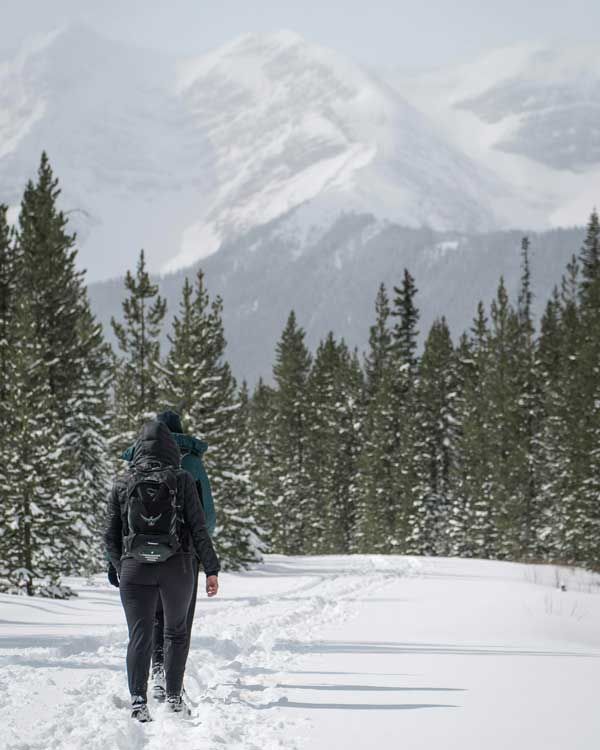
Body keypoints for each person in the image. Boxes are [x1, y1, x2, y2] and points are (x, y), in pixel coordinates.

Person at [104, 420, 220, 722]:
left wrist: (118, 565)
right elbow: (198, 529)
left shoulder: (122, 483)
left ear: (138, 450)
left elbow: (110, 534)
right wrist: (211, 568)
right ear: (172, 449)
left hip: (134, 568)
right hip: (177, 567)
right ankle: (173, 698)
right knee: (176, 632)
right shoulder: (182, 479)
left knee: (139, 635)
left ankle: (139, 702)